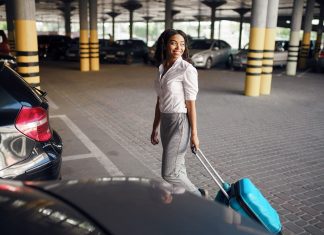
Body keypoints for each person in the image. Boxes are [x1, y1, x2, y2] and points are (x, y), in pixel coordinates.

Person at [150, 29, 207, 198]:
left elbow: (191, 104)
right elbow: (159, 101)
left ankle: (199, 198)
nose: (178, 47)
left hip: (179, 123)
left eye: (182, 44)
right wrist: (154, 128)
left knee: (169, 173)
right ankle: (190, 198)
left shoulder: (186, 69)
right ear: (165, 45)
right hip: (165, 123)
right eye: (174, 43)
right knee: (178, 167)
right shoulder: (161, 69)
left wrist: (194, 134)